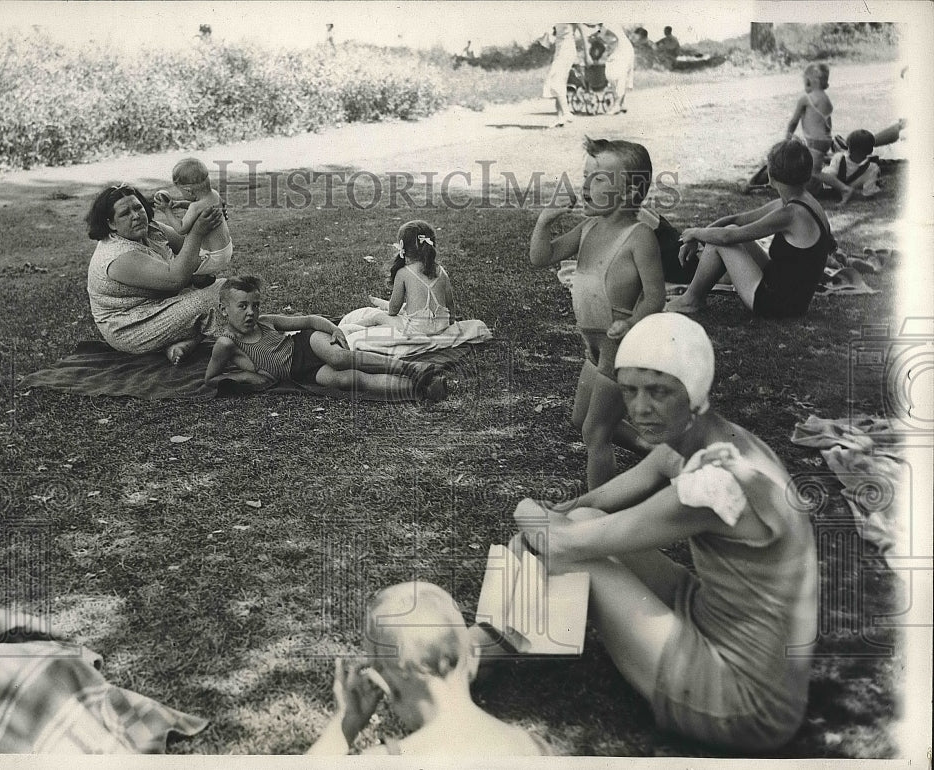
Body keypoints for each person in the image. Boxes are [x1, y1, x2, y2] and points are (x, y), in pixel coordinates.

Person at [506, 313, 818, 751]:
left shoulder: (715, 483)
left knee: (573, 551)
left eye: (658, 392)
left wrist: (527, 508)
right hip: (719, 621)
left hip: (746, 704)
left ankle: (486, 649)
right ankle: (503, 640)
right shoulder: (720, 438)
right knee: (582, 521)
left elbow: (562, 543)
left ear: (694, 393)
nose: (638, 409)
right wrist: (572, 506)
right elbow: (631, 483)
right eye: (629, 391)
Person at [531, 137, 664, 488]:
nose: (587, 185)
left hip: (621, 350)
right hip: (593, 348)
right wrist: (545, 222)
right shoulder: (589, 227)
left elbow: (655, 297)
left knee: (595, 434)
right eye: (586, 176)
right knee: (580, 420)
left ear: (632, 191)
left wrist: (632, 322)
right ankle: (657, 453)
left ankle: (598, 513)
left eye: (600, 178)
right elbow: (541, 257)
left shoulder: (639, 237)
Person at [307, 581, 551, 756]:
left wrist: (346, 723)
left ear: (384, 683)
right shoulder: (532, 748)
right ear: (474, 657)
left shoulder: (387, 760)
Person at [204, 275, 448, 401]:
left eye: (255, 305)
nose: (251, 313)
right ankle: (423, 389)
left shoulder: (266, 321)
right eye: (242, 306)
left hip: (306, 345)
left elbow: (309, 320)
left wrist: (334, 330)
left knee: (339, 357)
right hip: (298, 373)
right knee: (350, 379)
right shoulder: (227, 343)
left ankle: (411, 368)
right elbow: (211, 378)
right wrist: (246, 375)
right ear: (224, 309)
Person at [667, 139, 835, 318]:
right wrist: (695, 239)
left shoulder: (791, 214)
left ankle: (691, 300)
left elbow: (726, 238)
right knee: (727, 229)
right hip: (790, 295)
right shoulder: (803, 202)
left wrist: (694, 232)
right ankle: (693, 297)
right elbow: (737, 220)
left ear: (770, 176)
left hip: (778, 305)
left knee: (720, 241)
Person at [85, 183, 226, 365]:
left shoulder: (151, 229)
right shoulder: (118, 256)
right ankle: (252, 347)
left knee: (228, 289)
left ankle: (183, 344)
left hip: (162, 305)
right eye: (125, 214)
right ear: (111, 224)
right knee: (207, 302)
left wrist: (214, 220)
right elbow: (176, 279)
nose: (136, 216)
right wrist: (197, 231)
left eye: (138, 208)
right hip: (131, 327)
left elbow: (195, 250)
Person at [153, 158, 232, 287]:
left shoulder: (195, 207)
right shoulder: (214, 195)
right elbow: (197, 206)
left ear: (189, 190)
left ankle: (198, 279)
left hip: (212, 257)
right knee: (193, 262)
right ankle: (204, 278)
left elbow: (181, 229)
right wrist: (180, 204)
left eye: (181, 191)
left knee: (180, 264)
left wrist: (166, 211)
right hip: (225, 249)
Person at [368, 220, 455, 337]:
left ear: (403, 248)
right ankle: (383, 304)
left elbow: (393, 310)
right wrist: (451, 324)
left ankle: (348, 329)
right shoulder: (441, 271)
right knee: (408, 308)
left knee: (377, 317)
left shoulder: (403, 273)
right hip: (442, 326)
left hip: (418, 330)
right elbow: (450, 303)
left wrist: (389, 310)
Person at [786, 63, 833, 189]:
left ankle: (844, 189)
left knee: (814, 172)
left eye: (805, 82)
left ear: (810, 82)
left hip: (815, 141)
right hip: (825, 140)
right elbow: (828, 123)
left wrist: (787, 137)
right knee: (813, 167)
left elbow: (794, 121)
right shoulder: (826, 99)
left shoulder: (806, 99)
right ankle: (816, 187)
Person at [542, 23, 591, 127]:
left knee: (554, 80)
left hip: (567, 50)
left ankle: (566, 113)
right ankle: (560, 118)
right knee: (559, 82)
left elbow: (583, 31)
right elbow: (555, 34)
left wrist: (587, 54)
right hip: (559, 50)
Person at [820, 129, 881, 204]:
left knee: (826, 170)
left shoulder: (839, 157)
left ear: (848, 146)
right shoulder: (873, 167)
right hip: (848, 187)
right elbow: (868, 193)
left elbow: (827, 177)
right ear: (870, 150)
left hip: (831, 188)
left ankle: (834, 145)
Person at [599, 23, 635, 114]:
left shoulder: (607, 25)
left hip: (621, 51)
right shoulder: (607, 25)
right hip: (624, 50)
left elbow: (614, 39)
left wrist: (609, 51)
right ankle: (621, 104)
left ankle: (617, 105)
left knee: (616, 76)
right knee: (619, 77)